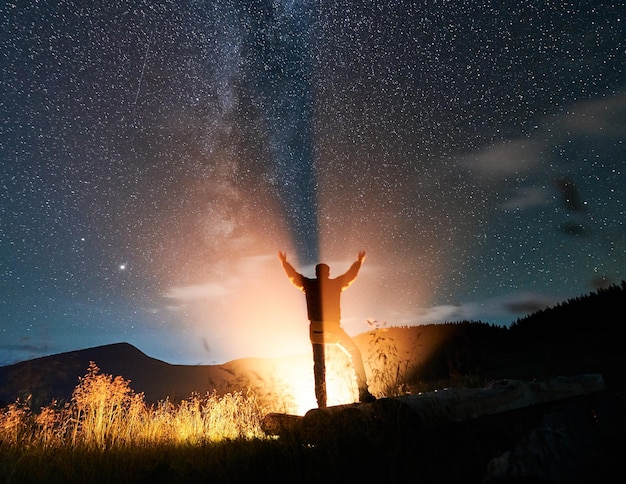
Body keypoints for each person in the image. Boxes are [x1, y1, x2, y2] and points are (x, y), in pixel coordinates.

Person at [278, 250, 375, 408]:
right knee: (354, 353)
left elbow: (293, 276)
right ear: (328, 273)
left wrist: (284, 263)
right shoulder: (335, 283)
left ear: (316, 273)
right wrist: (359, 262)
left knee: (319, 365)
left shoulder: (308, 284)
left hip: (317, 329)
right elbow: (350, 275)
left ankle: (322, 403)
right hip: (333, 328)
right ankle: (363, 392)